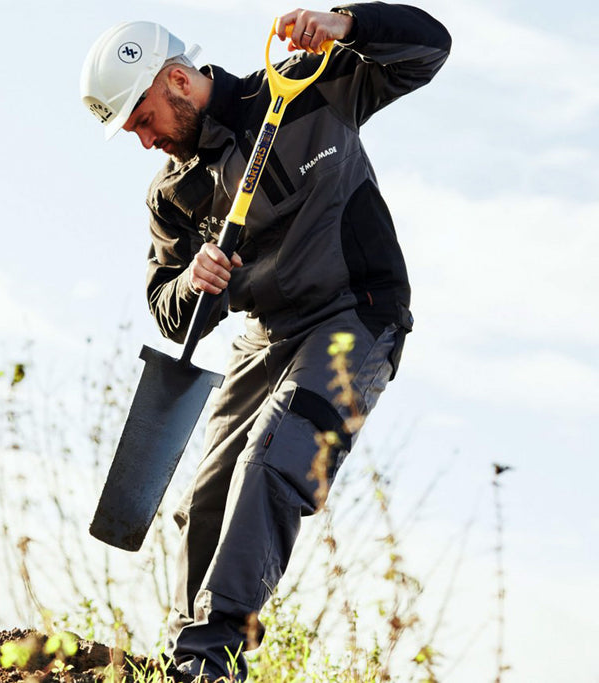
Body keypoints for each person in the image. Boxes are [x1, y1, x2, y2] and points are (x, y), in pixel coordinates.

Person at [80, 5, 451, 681]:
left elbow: (431, 49)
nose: (142, 141)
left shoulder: (314, 88)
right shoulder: (173, 195)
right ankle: (184, 650)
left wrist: (347, 25)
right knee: (207, 497)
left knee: (275, 452)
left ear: (175, 81)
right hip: (265, 336)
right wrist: (195, 283)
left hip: (356, 314)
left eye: (141, 120)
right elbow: (168, 312)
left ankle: (210, 657)